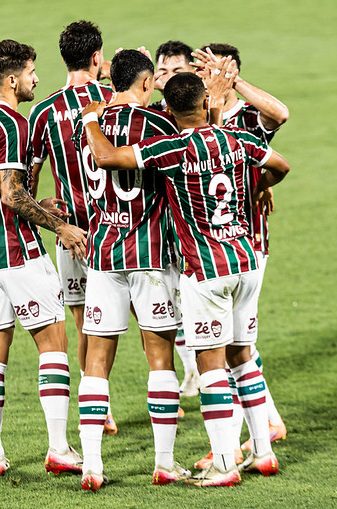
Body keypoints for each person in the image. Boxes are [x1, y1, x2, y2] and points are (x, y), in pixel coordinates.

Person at [80, 63, 291, 487]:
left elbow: (107, 157)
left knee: (210, 365)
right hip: (247, 260)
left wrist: (89, 117)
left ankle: (224, 464)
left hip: (206, 268)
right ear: (206, 103)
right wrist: (254, 185)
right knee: (242, 354)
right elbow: (282, 166)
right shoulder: (237, 138)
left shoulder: (173, 148)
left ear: (172, 112)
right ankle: (262, 452)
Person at [0, 39, 87, 478]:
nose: (35, 79)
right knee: (53, 343)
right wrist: (59, 225)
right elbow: (11, 194)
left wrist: (39, 202)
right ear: (12, 80)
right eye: (31, 72)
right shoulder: (11, 122)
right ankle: (58, 449)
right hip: (15, 251)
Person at [71, 49, 188, 491]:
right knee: (159, 358)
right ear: (144, 82)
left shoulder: (91, 126)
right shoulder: (159, 125)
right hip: (151, 257)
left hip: (103, 255)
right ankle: (163, 463)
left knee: (97, 363)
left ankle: (92, 465)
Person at [189, 43, 290, 469]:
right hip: (223, 247)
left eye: (213, 67)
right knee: (238, 346)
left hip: (239, 246)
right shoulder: (196, 114)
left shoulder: (247, 118)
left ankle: (227, 445)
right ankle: (265, 428)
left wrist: (234, 82)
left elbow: (280, 114)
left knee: (225, 348)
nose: (205, 73)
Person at [28, 21, 120, 434]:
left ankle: (97, 405)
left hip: (73, 232)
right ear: (97, 57)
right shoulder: (115, 98)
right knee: (147, 322)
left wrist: (44, 209)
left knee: (85, 321)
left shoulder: (43, 110)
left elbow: (27, 183)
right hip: (120, 229)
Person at [148, 40, 200, 397]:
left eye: (176, 71)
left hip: (194, 226)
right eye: (161, 72)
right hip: (160, 225)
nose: (168, 79)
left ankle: (202, 368)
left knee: (191, 300)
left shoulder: (201, 113)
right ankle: (193, 369)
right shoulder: (150, 116)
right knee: (168, 302)